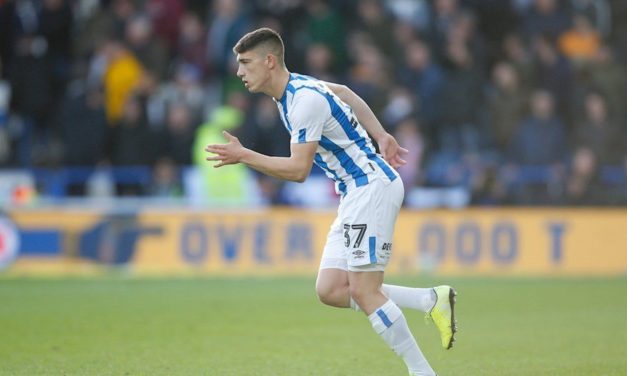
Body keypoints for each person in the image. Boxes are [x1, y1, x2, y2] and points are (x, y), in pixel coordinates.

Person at [205, 28, 456, 376]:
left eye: (245, 63)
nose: (239, 72)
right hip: (355, 192)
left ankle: (422, 372)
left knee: (366, 291)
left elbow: (298, 170)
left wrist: (244, 155)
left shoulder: (303, 102)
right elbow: (345, 92)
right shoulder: (294, 91)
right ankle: (429, 299)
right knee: (331, 289)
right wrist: (380, 133)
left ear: (269, 61)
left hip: (370, 187)